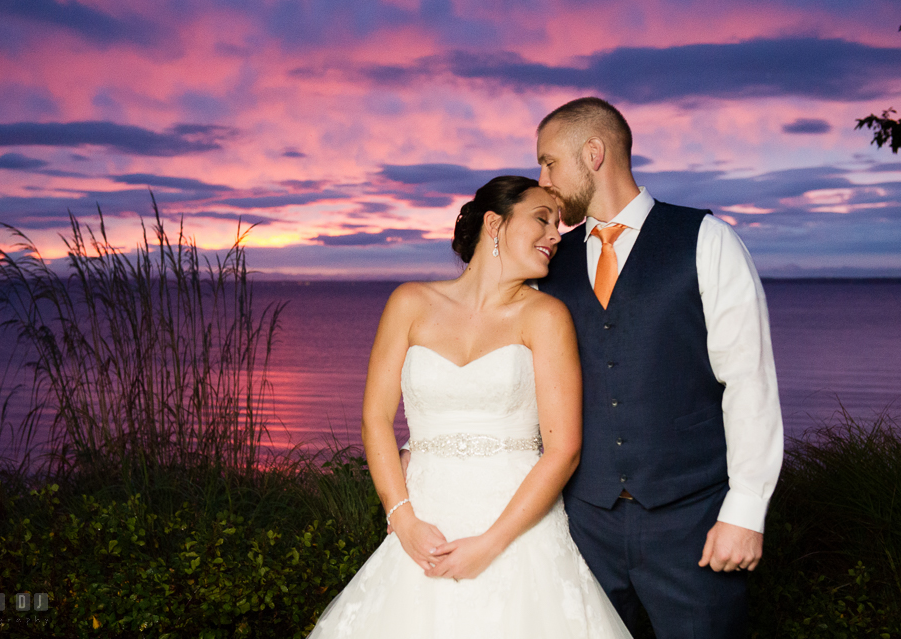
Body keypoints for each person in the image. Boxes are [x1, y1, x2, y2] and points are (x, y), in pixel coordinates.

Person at [307, 176, 632, 639]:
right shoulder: (410, 302)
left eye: (558, 225)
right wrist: (402, 519)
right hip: (423, 525)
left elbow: (564, 451)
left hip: (518, 532)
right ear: (494, 224)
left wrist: (491, 545)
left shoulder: (546, 317)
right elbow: (375, 419)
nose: (557, 236)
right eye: (542, 219)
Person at [535, 97, 784, 638]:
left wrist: (745, 511)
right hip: (582, 526)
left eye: (549, 162)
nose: (543, 179)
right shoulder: (548, 262)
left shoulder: (707, 241)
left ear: (593, 153)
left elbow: (748, 381)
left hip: (692, 524)